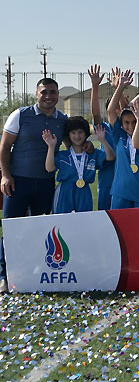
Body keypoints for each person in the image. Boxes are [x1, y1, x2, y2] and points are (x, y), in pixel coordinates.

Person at [0, 77, 68, 292]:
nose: (49, 96)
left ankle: (32, 270)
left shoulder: (63, 120)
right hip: (18, 182)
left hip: (46, 184)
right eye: (44, 92)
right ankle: (3, 274)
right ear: (36, 94)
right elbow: (4, 147)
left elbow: (73, 143)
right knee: (12, 228)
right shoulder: (20, 115)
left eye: (53, 92)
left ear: (58, 95)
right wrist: (5, 175)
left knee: (40, 229)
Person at [42, 117, 115, 213]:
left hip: (84, 192)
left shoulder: (93, 154)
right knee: (62, 223)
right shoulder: (63, 155)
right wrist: (51, 147)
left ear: (86, 134)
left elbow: (111, 157)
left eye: (80, 132)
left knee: (84, 223)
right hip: (64, 191)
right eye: (73, 133)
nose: (77, 136)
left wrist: (103, 140)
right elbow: (49, 168)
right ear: (68, 135)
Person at [107, 69, 139, 209]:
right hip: (120, 192)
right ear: (121, 124)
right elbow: (110, 111)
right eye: (126, 122)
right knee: (119, 229)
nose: (131, 126)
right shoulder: (118, 136)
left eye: (134, 122)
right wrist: (120, 87)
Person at [88, 65, 116, 210]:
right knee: (107, 219)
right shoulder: (103, 128)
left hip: (127, 182)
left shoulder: (130, 129)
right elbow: (96, 115)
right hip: (107, 179)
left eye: (119, 107)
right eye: (113, 107)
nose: (117, 111)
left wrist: (119, 89)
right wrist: (94, 86)